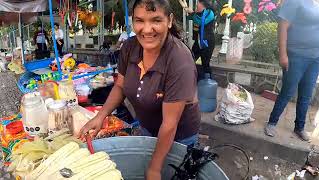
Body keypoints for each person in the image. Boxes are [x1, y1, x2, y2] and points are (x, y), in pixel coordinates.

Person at [79, 0, 200, 179]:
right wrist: (101, 115)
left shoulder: (179, 61)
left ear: (169, 20)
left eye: (156, 20)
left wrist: (155, 168)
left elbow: (169, 124)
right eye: (139, 20)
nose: (147, 29)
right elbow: (120, 86)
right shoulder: (130, 47)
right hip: (147, 127)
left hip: (178, 136)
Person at [265, 0, 319, 141]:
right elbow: (282, 26)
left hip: (316, 58)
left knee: (307, 94)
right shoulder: (295, 1)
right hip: (296, 55)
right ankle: (272, 122)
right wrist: (283, 54)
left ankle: (299, 127)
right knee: (287, 91)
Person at [180, 0, 216, 80]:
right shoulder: (197, 14)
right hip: (198, 42)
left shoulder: (210, 13)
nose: (196, 6)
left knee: (205, 64)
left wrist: (192, 13)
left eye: (197, 5)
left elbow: (200, 21)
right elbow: (186, 18)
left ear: (204, 6)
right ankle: (190, 79)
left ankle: (208, 84)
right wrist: (186, 10)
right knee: (190, 59)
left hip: (207, 43)